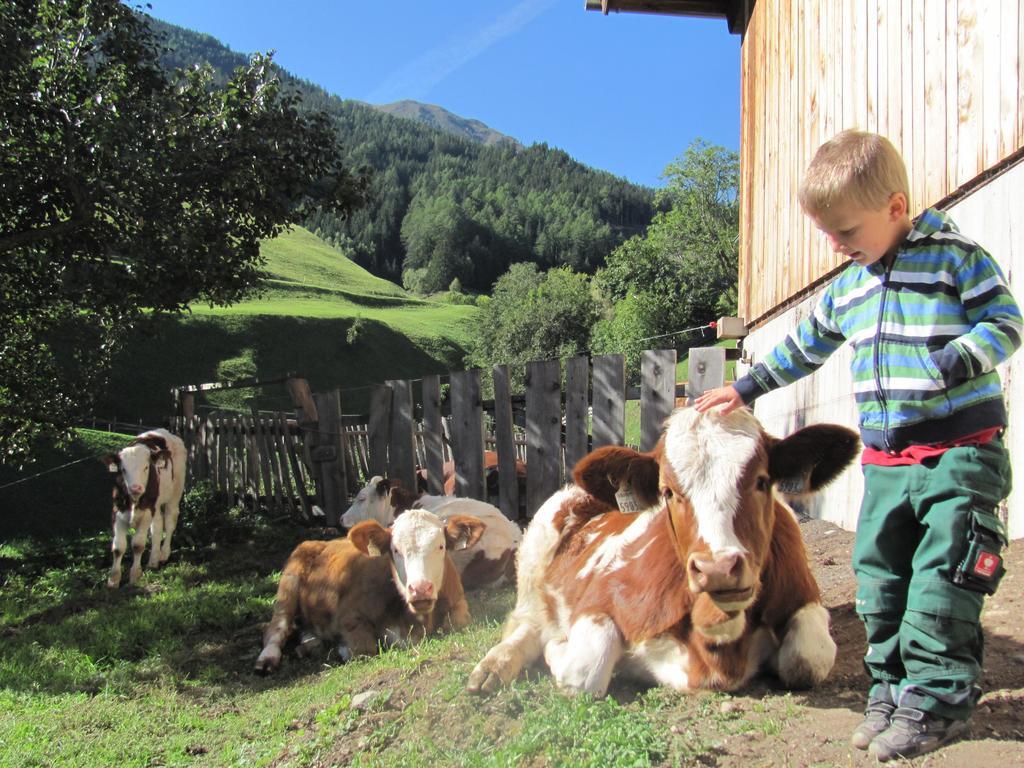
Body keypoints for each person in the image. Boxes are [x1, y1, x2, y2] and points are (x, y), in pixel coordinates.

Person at [694, 129, 1022, 762]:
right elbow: (804, 346)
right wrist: (746, 387)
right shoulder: (849, 287)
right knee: (879, 578)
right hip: (886, 462)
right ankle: (893, 690)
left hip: (961, 451)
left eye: (844, 231)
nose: (835, 245)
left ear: (896, 209)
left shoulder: (955, 258)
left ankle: (938, 701)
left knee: (943, 575)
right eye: (827, 234)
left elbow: (1006, 321)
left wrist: (961, 357)